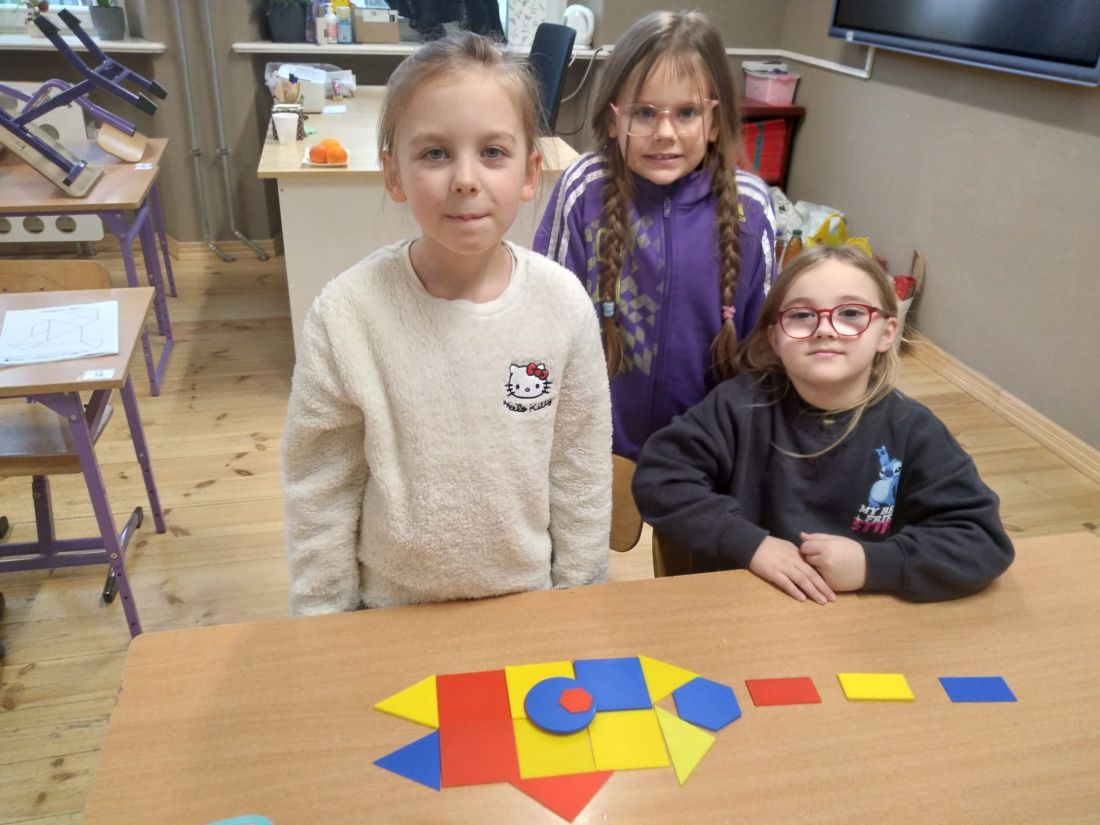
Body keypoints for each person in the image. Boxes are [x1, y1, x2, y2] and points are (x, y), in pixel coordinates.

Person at [282, 33, 612, 615]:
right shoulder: (346, 314)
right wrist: (324, 621)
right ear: (393, 174)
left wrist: (578, 603)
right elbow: (321, 490)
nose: (465, 178)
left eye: (493, 152)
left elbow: (580, 474)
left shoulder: (563, 306)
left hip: (527, 602)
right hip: (391, 609)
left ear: (530, 171)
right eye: (435, 153)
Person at [633, 245, 1014, 603]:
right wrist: (750, 544)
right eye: (801, 315)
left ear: (887, 333)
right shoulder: (737, 406)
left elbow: (982, 541)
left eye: (851, 313)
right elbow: (659, 478)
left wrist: (872, 564)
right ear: (775, 337)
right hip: (745, 607)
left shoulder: (913, 429)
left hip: (863, 616)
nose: (825, 329)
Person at [534, 10, 777, 461]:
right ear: (612, 118)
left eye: (687, 112)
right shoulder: (583, 190)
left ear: (715, 121)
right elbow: (542, 321)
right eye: (644, 112)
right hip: (592, 451)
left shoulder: (752, 208)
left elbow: (762, 350)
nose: (664, 133)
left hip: (702, 458)